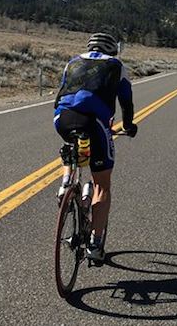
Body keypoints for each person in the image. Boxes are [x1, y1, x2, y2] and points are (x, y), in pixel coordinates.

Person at [53, 32, 138, 260]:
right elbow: (126, 102)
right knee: (103, 186)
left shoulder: (73, 61)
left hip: (63, 118)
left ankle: (65, 184)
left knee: (72, 145)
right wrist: (128, 125)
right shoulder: (116, 65)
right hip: (94, 123)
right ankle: (95, 244)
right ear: (112, 49)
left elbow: (61, 91)